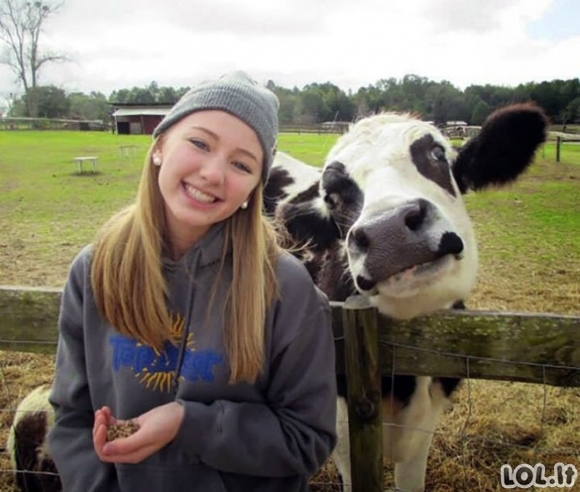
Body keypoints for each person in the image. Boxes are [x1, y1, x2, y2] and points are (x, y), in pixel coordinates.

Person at [48, 71, 337, 492]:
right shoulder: (95, 270)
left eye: (242, 163)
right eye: (200, 143)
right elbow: (71, 418)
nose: (214, 174)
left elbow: (307, 439)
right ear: (160, 145)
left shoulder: (285, 288)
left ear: (256, 185)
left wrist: (188, 423)